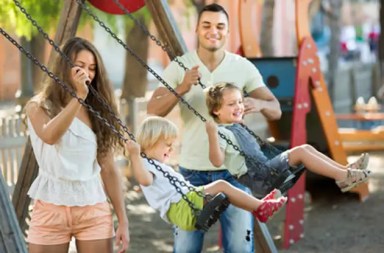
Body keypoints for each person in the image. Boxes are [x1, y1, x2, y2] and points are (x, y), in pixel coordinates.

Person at [147, 3, 281, 252]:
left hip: (234, 173)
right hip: (190, 176)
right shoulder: (181, 66)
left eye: (220, 26)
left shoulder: (242, 67)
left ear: (227, 31)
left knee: (240, 248)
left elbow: (276, 109)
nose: (213, 31)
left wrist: (259, 103)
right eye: (207, 25)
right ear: (197, 29)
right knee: (186, 248)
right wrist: (183, 87)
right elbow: (153, 110)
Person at [25, 37, 129, 253]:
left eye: (92, 68)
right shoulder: (38, 106)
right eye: (79, 66)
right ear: (63, 67)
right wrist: (78, 97)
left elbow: (108, 169)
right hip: (50, 208)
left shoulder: (97, 110)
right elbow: (50, 136)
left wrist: (123, 219)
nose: (87, 74)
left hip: (92, 208)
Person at [205, 82, 371, 195]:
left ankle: (344, 171)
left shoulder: (235, 126)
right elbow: (217, 161)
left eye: (240, 101)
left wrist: (240, 114)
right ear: (216, 111)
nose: (239, 106)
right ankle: (343, 176)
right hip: (260, 178)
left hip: (264, 171)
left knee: (306, 148)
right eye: (231, 104)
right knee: (301, 152)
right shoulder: (221, 133)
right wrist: (212, 134)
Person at [125, 116, 287, 231]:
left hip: (184, 204)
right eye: (168, 144)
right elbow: (144, 180)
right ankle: (259, 207)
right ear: (151, 142)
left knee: (221, 190)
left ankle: (259, 206)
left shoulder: (154, 164)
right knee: (221, 185)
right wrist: (134, 155)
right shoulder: (145, 163)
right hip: (181, 208)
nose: (171, 149)